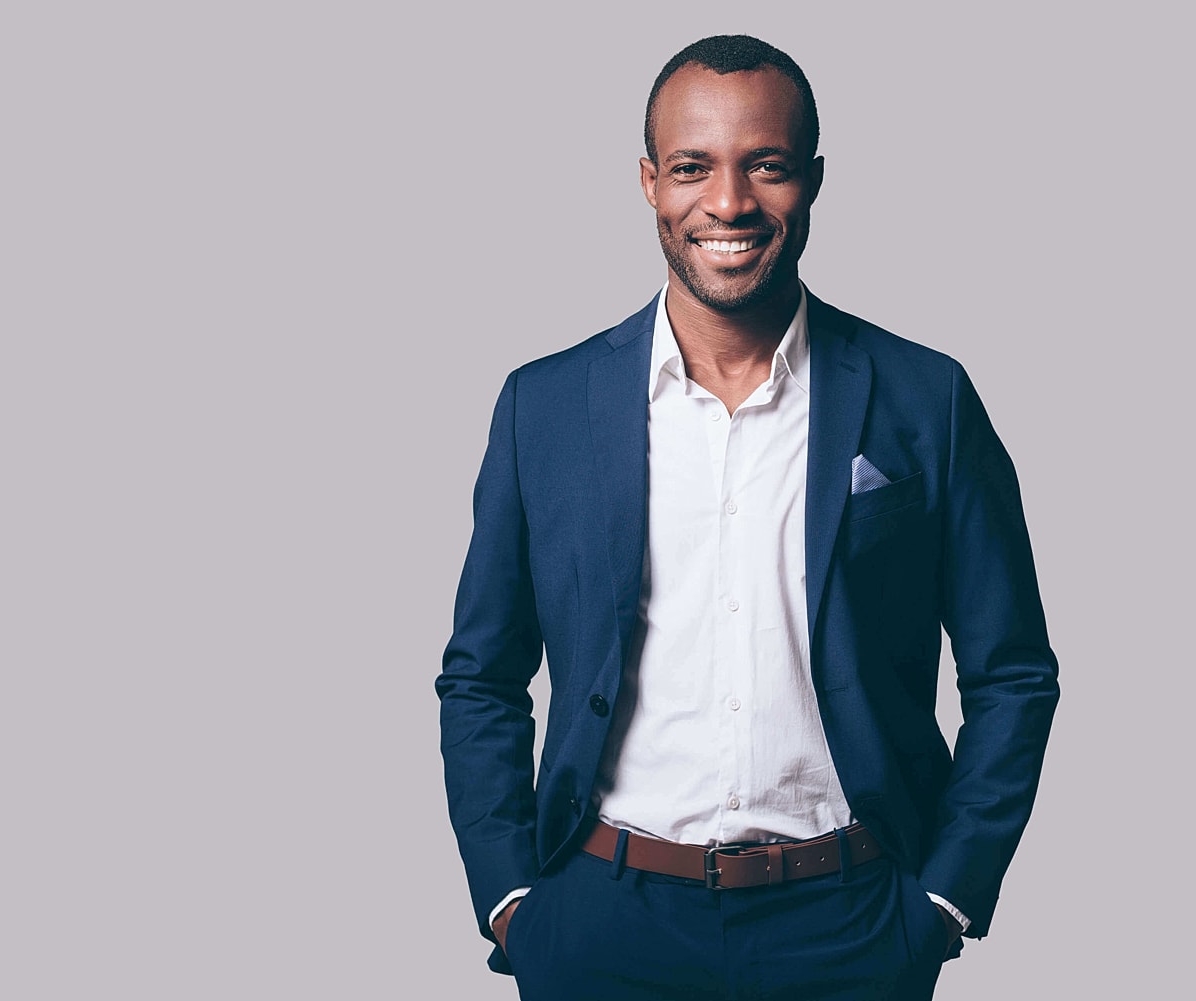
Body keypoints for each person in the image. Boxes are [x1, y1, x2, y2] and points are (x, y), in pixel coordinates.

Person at [437, 34, 1059, 1000]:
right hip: (602, 922)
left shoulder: (923, 397)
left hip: (851, 921)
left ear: (812, 180)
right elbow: (480, 673)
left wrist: (945, 899)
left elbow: (1013, 670)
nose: (727, 203)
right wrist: (513, 894)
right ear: (649, 181)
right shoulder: (545, 406)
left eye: (764, 166)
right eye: (693, 167)